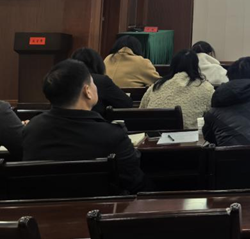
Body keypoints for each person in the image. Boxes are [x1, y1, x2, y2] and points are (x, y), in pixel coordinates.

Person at [22, 60, 146, 193]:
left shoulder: (32, 129)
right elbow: (135, 183)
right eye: (93, 83)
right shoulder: (113, 135)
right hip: (102, 205)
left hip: (43, 204)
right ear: (87, 91)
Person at [140, 50, 214, 130]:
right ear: (196, 66)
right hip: (187, 136)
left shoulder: (157, 85)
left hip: (152, 133)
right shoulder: (206, 88)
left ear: (172, 65)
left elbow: (141, 110)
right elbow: (214, 116)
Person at [71, 47, 132, 114]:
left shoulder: (66, 80)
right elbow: (126, 103)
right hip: (95, 119)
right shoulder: (102, 81)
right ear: (98, 64)